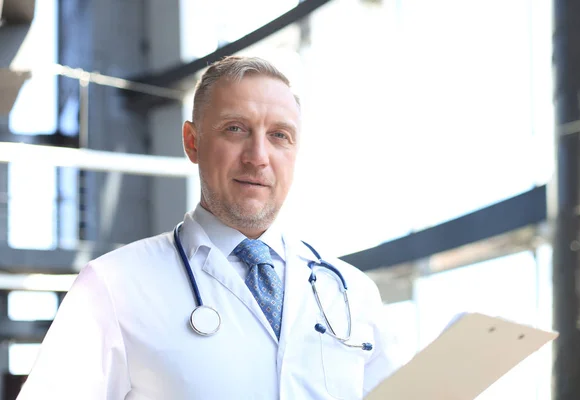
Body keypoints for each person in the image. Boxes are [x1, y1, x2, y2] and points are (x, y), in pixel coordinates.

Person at [17, 56, 402, 399]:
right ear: (192, 141)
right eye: (235, 129)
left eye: (279, 136)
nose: (258, 157)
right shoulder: (113, 286)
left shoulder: (351, 292)